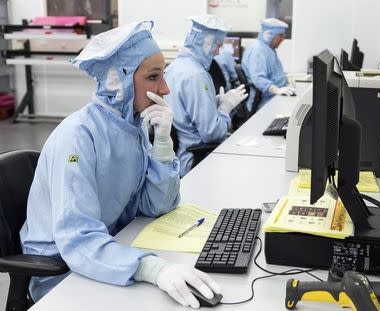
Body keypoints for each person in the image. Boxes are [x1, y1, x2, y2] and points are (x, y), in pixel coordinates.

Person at [20, 21, 220, 309]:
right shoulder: (78, 136)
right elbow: (77, 239)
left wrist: (163, 144)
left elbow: (156, 205)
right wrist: (154, 269)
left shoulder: (131, 127)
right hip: (63, 271)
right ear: (119, 80)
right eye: (153, 77)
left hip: (109, 251)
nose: (164, 88)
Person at [164, 15, 248, 177]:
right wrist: (225, 108)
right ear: (206, 44)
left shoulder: (175, 67)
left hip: (177, 159)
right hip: (196, 161)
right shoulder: (197, 75)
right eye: (217, 46)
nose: (217, 52)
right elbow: (212, 133)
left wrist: (214, 102)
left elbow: (184, 110)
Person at [241, 18, 294, 111]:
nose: (283, 39)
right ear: (269, 35)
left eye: (283, 35)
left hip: (275, 96)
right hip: (265, 101)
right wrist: (276, 90)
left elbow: (273, 72)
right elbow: (258, 79)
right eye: (280, 35)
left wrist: (286, 78)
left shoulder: (268, 49)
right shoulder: (258, 51)